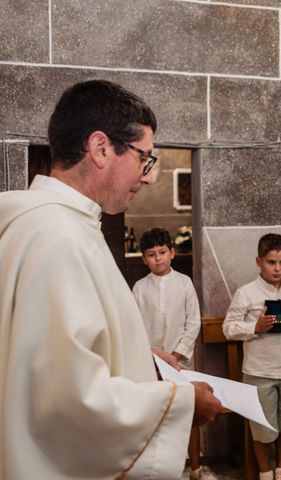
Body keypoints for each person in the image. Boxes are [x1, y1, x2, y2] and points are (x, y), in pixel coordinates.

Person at [0, 79, 223, 479]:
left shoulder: (52, 225)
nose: (150, 177)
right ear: (101, 148)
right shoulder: (58, 238)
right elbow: (67, 400)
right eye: (145, 158)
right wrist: (183, 404)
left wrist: (138, 354)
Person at [132, 227, 215, 480]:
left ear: (172, 253)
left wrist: (177, 355)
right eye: (151, 254)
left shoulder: (184, 282)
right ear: (144, 259)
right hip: (150, 362)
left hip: (181, 361)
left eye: (162, 252)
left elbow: (193, 323)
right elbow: (133, 324)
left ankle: (195, 468)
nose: (157, 258)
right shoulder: (139, 287)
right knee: (156, 414)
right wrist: (154, 355)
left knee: (187, 412)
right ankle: (161, 469)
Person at [223, 234, 281, 480]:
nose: (278, 268)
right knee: (262, 430)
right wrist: (254, 328)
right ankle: (265, 473)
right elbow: (228, 328)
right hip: (259, 372)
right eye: (271, 262)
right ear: (259, 261)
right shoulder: (246, 293)